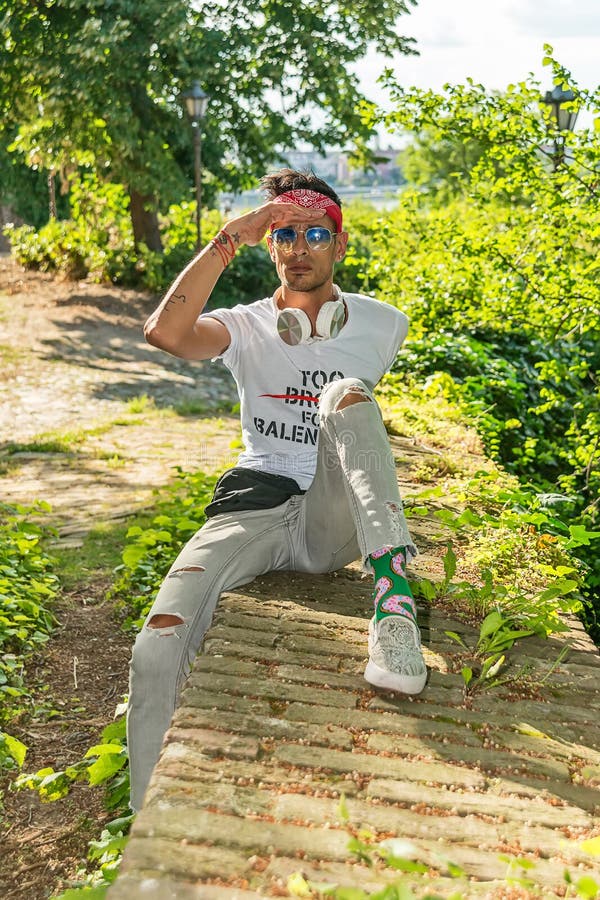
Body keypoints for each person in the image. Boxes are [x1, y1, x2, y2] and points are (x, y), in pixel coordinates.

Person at [128, 169, 427, 812]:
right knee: (156, 642)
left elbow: (361, 439)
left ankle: (395, 609)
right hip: (257, 505)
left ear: (340, 246)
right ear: (271, 246)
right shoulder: (248, 325)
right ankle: (148, 828)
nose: (300, 247)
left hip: (333, 512)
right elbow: (167, 334)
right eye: (285, 234)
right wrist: (230, 236)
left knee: (346, 394)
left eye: (316, 233)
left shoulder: (382, 324)